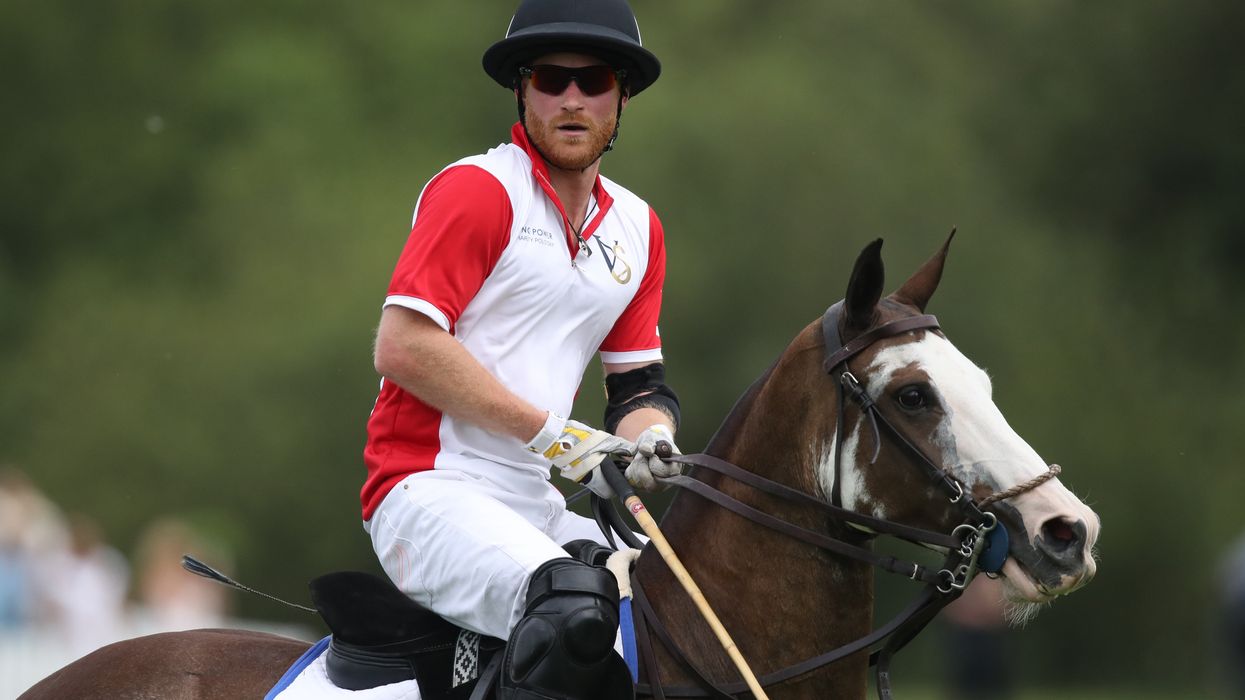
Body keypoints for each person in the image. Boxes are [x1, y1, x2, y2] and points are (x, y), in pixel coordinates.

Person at [359, 1, 678, 697]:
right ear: (521, 90)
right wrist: (556, 437)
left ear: (622, 95)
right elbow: (403, 346)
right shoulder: (479, 191)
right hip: (425, 489)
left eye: (594, 80)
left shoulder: (639, 228)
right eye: (550, 79)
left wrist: (650, 442)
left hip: (532, 502)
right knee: (570, 612)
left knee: (685, 600)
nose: (572, 99)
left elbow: (637, 387)